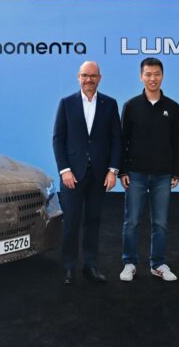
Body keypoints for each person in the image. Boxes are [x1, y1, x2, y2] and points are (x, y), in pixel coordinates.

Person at [53, 61, 122, 285]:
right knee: (71, 222)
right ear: (78, 77)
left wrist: (113, 170)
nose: (88, 79)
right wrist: (64, 170)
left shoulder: (109, 104)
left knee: (93, 221)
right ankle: (69, 268)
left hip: (99, 175)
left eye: (92, 76)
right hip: (72, 175)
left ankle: (90, 266)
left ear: (99, 78)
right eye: (84, 75)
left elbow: (116, 140)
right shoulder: (66, 104)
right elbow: (58, 139)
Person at [118, 57, 179, 282]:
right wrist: (122, 171)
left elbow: (177, 141)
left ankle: (158, 263)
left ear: (162, 76)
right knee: (132, 221)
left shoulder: (173, 107)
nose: (152, 78)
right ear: (141, 76)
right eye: (148, 74)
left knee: (160, 222)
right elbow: (122, 141)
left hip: (163, 175)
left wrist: (176, 171)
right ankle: (129, 263)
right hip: (136, 174)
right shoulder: (131, 106)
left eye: (156, 74)